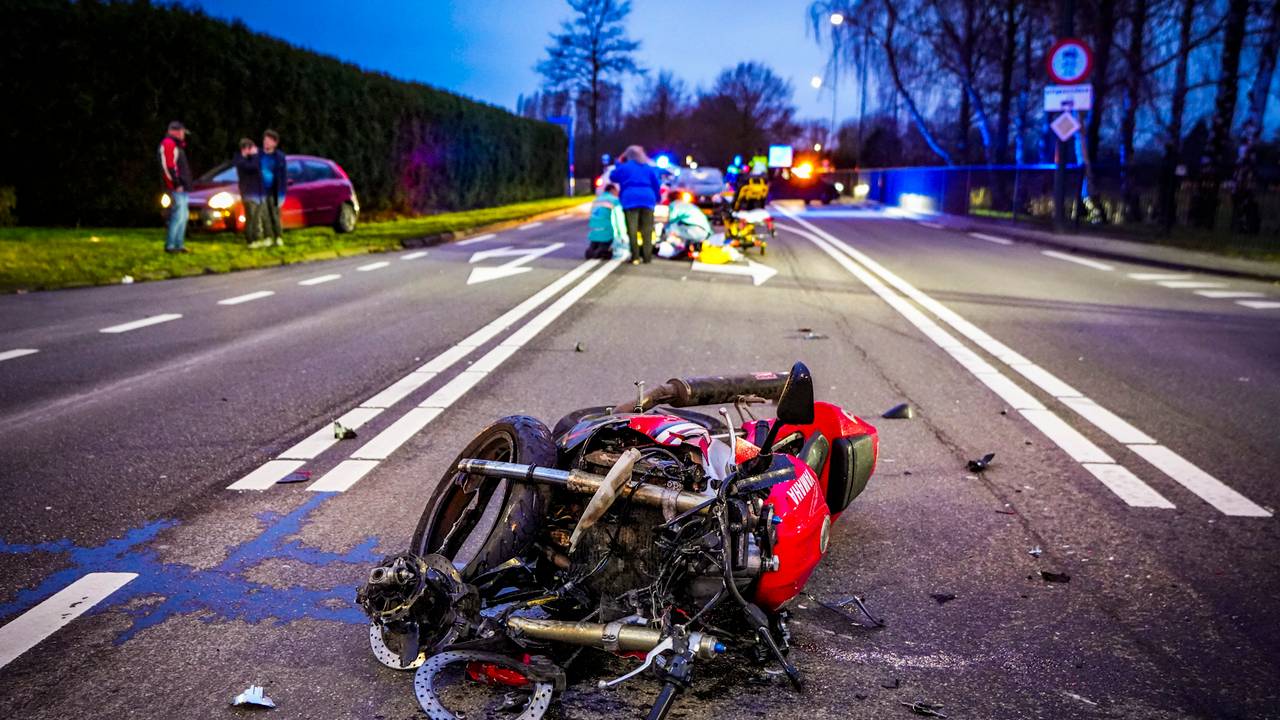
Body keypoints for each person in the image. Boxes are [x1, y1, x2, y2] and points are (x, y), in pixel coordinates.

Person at [609, 145, 661, 264]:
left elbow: (613, 176)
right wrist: (658, 198)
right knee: (647, 229)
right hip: (648, 198)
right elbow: (656, 184)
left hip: (630, 198)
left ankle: (635, 257)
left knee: (632, 229)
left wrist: (619, 162)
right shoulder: (648, 168)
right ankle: (647, 257)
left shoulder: (625, 167)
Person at [158, 120, 193, 254]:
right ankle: (171, 245)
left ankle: (179, 244)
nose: (183, 134)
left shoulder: (176, 145)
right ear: (175, 131)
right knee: (178, 215)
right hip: (176, 187)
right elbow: (168, 166)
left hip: (182, 187)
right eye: (182, 132)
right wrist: (176, 184)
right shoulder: (168, 144)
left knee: (183, 215)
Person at [233, 138, 268, 247]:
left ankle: (258, 238)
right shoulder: (240, 160)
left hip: (259, 192)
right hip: (249, 193)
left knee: (258, 217)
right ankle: (251, 240)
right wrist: (255, 155)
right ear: (246, 149)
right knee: (251, 218)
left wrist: (256, 153)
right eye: (251, 149)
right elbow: (252, 167)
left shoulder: (252, 158)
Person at [259, 129, 288, 246]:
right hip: (261, 191)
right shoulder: (259, 155)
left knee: (275, 214)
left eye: (268, 141)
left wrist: (282, 194)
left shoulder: (279, 157)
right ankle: (268, 237)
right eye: (264, 140)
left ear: (274, 143)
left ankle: (278, 237)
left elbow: (283, 176)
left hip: (274, 191)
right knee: (264, 215)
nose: (266, 143)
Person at [585, 183, 627, 260]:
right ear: (612, 190)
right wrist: (622, 233)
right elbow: (619, 219)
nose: (618, 193)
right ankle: (600, 252)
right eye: (617, 191)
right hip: (607, 231)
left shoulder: (596, 200)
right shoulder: (615, 200)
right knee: (605, 247)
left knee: (594, 245)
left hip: (594, 230)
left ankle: (593, 251)